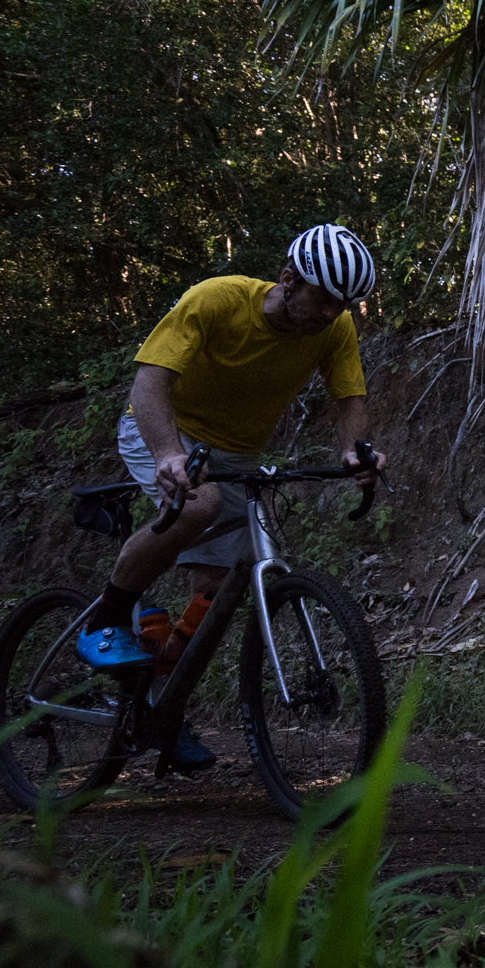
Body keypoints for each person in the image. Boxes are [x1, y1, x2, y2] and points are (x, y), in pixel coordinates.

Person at [77, 224, 389, 773]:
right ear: (288, 278)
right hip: (165, 428)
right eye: (323, 299)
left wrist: (354, 451)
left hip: (239, 453)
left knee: (217, 588)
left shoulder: (333, 328)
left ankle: (160, 705)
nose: (330, 314)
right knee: (201, 506)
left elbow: (349, 399)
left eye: (342, 305)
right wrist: (169, 453)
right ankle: (106, 617)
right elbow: (149, 381)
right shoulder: (217, 300)